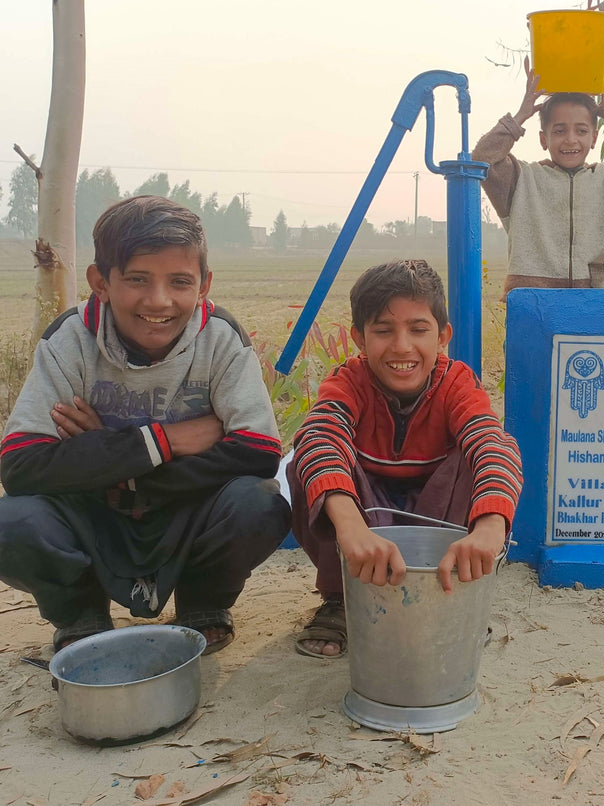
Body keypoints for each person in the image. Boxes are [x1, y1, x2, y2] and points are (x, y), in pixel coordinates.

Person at [0, 196, 290, 655]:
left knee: (258, 504)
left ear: (204, 285)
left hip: (184, 511)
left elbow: (257, 452)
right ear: (101, 282)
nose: (159, 301)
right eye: (137, 279)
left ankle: (203, 604)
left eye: (179, 282)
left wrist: (107, 457)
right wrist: (163, 440)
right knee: (11, 523)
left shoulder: (221, 339)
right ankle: (80, 615)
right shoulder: (70, 340)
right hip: (94, 514)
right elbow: (20, 465)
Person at [287, 259, 523, 658]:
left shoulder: (456, 384)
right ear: (359, 339)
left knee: (485, 454)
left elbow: (490, 444)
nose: (401, 346)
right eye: (383, 330)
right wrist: (350, 528)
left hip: (435, 518)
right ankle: (341, 597)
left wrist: (490, 527)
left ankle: (448, 591)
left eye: (418, 329)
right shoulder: (349, 383)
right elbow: (321, 438)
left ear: (443, 336)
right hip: (367, 516)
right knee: (307, 461)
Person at [471, 61, 604, 297]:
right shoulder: (521, 180)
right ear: (544, 139)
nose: (571, 140)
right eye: (559, 130)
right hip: (536, 307)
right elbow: (482, 158)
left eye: (581, 131)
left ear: (594, 138)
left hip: (602, 304)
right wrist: (520, 116)